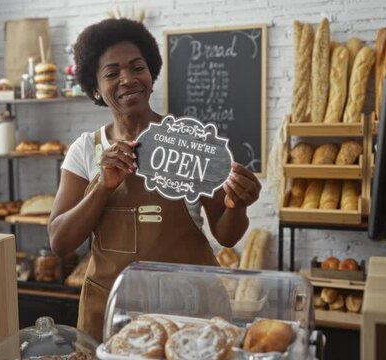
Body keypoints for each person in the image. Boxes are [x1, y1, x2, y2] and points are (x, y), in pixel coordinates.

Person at [48, 18, 261, 341]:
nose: (128, 79)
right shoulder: (84, 151)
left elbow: (226, 233)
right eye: (112, 73)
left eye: (137, 67)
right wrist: (102, 187)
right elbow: (60, 241)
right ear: (94, 88)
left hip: (191, 312)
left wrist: (237, 205)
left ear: (151, 74)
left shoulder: (189, 144)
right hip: (112, 315)